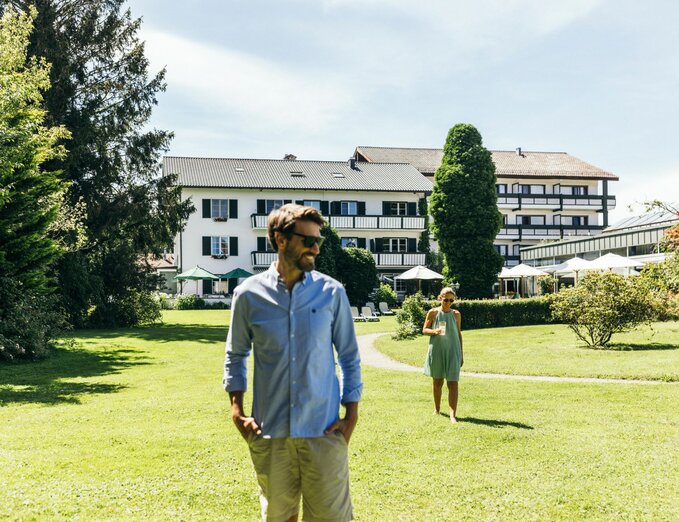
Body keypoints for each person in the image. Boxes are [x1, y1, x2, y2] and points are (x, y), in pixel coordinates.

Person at [224, 203, 362, 522]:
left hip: (323, 431)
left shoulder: (332, 293)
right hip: (271, 432)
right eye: (307, 240)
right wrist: (236, 411)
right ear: (280, 239)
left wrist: (351, 414)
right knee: (279, 518)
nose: (315, 248)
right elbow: (236, 354)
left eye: (318, 241)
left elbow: (350, 356)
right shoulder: (248, 295)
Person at [422, 287, 464, 423]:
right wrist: (434, 331)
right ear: (440, 298)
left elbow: (458, 334)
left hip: (453, 350)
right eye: (446, 299)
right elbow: (424, 330)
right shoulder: (433, 312)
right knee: (437, 381)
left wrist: (461, 353)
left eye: (451, 300)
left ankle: (453, 415)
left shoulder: (456, 314)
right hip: (437, 350)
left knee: (453, 383)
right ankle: (437, 409)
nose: (448, 302)